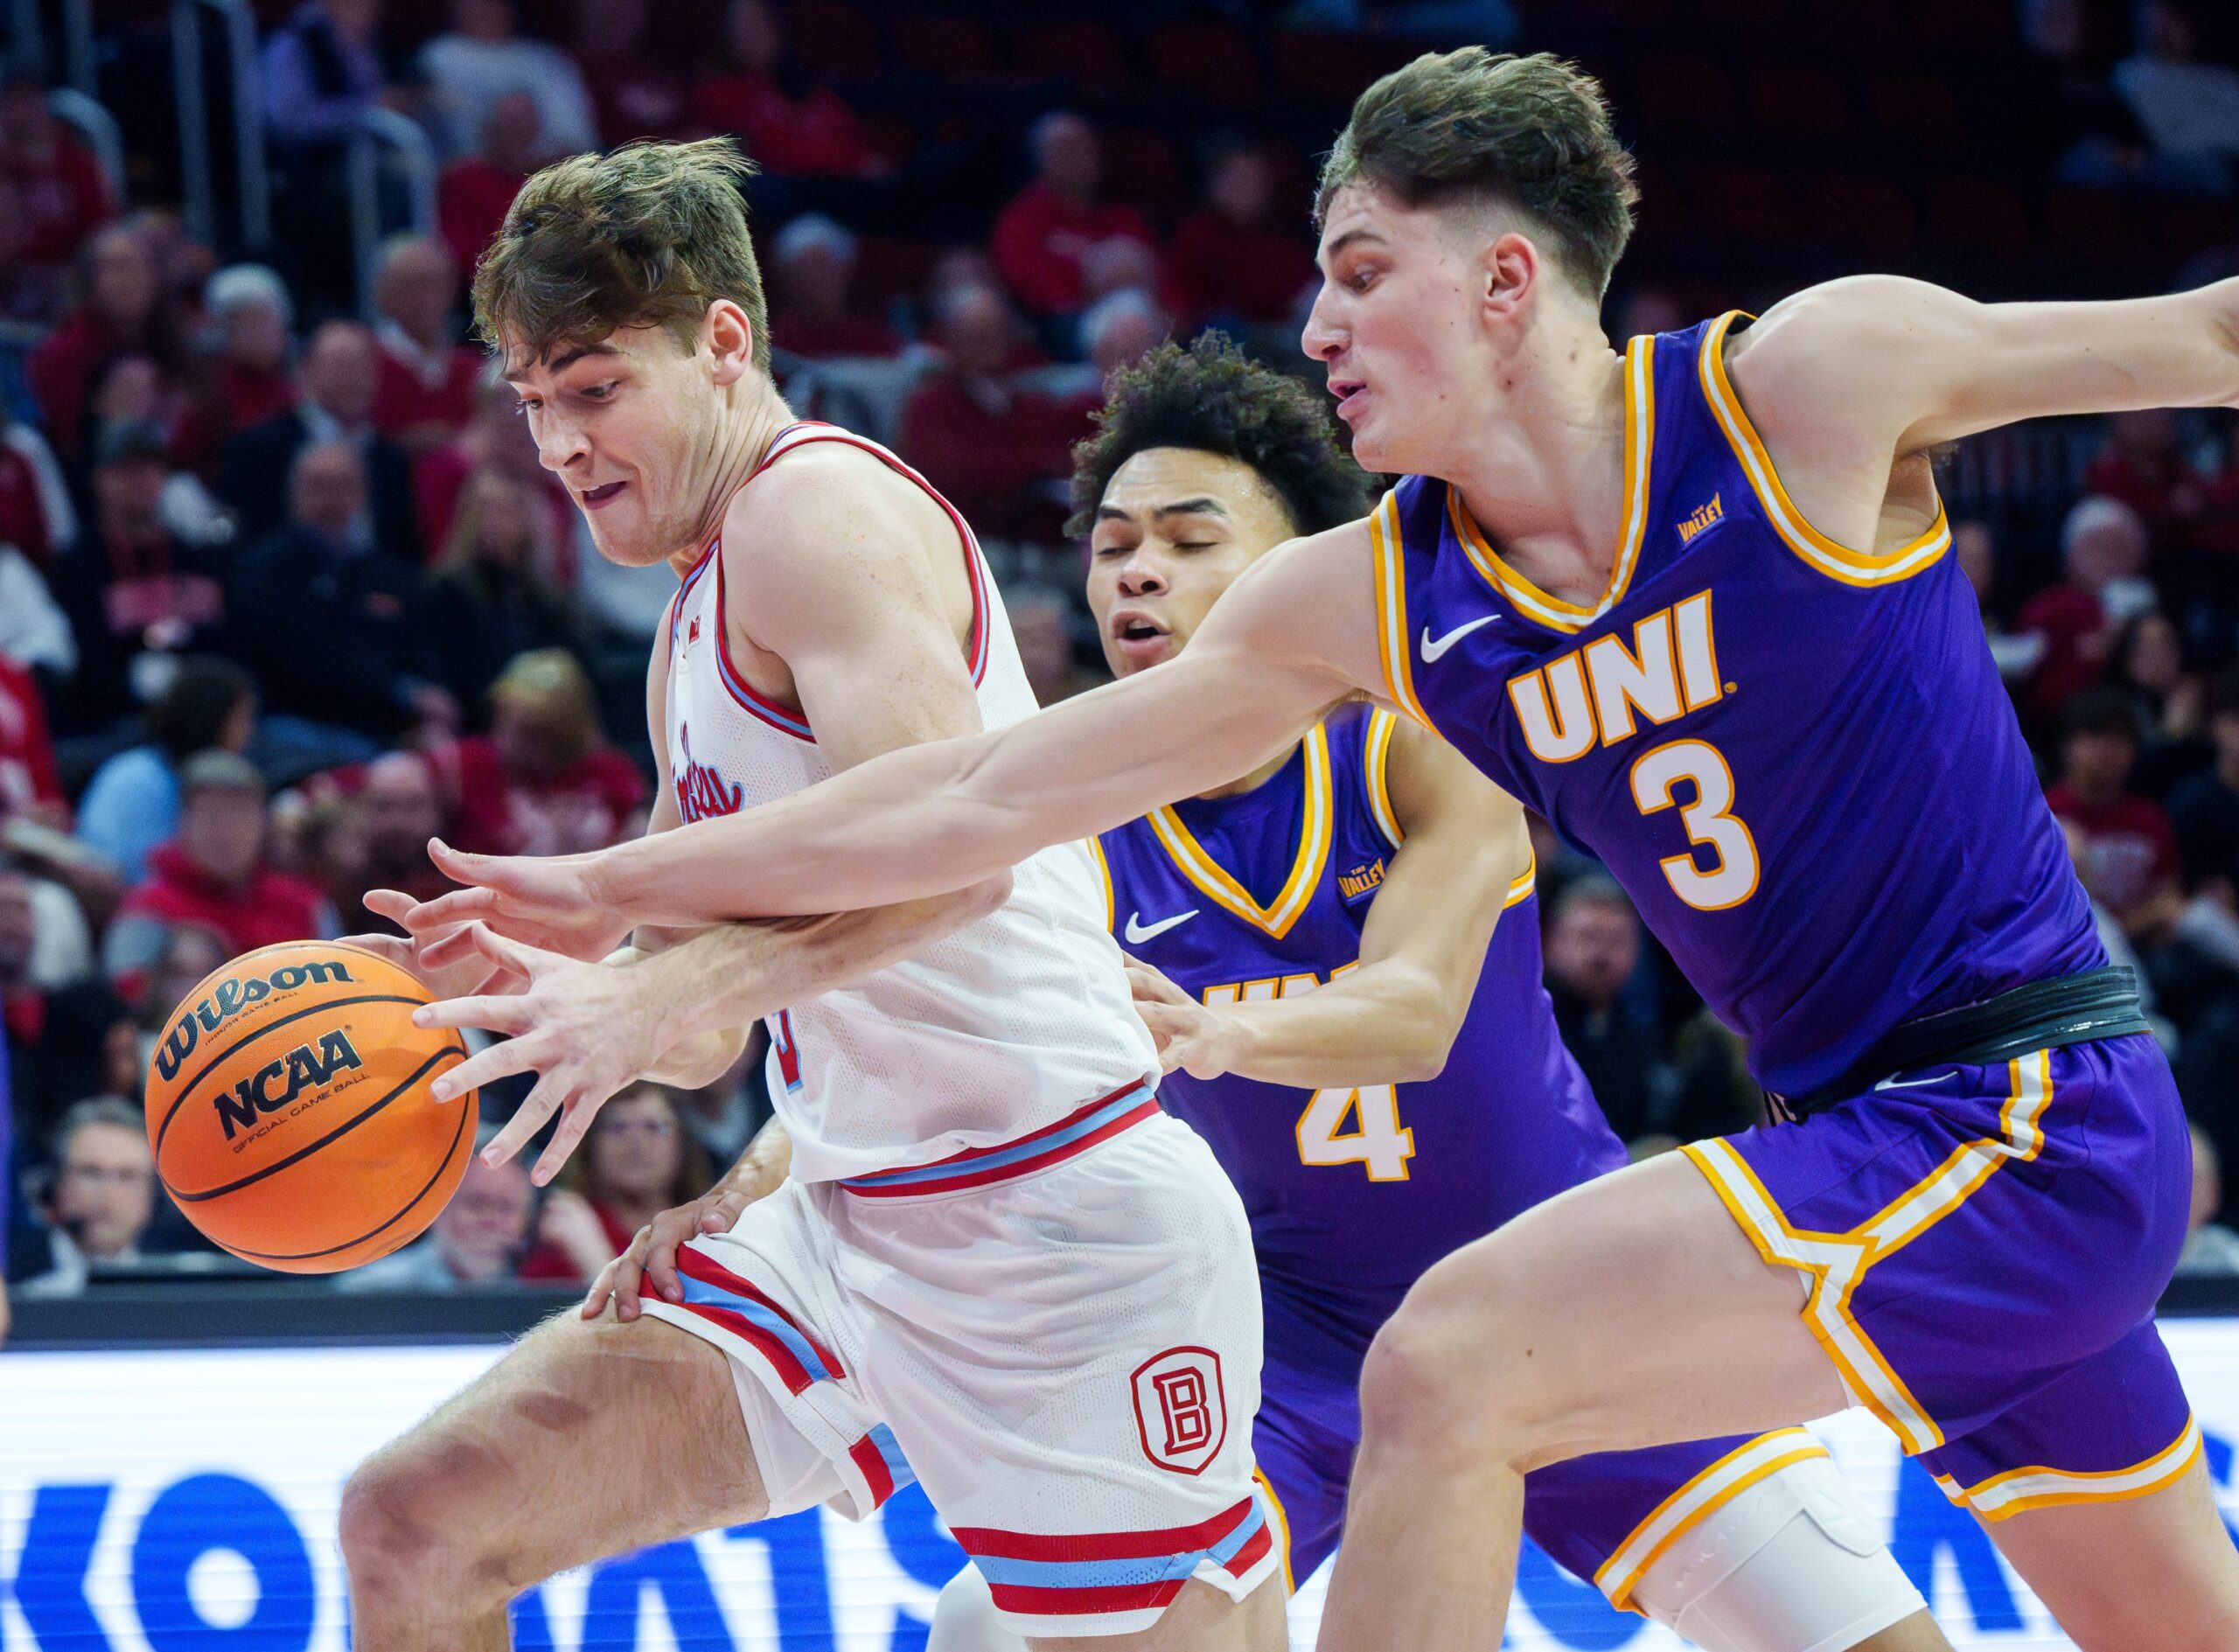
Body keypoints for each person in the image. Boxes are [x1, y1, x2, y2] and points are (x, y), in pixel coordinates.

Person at [412, 52, 2239, 1650]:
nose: (1318, 327)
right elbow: (979, 799)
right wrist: (613, 887)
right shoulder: (1370, 594)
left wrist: (1217, 1026)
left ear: (1507, 278)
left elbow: (2207, 337)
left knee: (1448, 1363)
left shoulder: (1807, 387)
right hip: (1832, 1146)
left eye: (1361, 274)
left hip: (2016, 1108)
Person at [344, 139, 1283, 1651]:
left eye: (594, 389)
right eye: (530, 401)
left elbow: (958, 862)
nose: (559, 445)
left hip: (1048, 1218)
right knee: (417, 1521)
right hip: (840, 1212)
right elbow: (708, 1024)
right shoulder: (683, 630)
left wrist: (661, 982)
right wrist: (528, 1000)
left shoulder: (815, 512)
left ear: (726, 343)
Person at [927, 338, 1932, 1650]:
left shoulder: (1422, 743)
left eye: (1187, 537)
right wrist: (744, 1190)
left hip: (1561, 1303)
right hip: (1292, 1347)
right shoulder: (1068, 824)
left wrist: (1221, 1030)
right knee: (987, 1627)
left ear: (1299, 575)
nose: (1137, 570)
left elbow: (1413, 1009)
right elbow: (910, 1048)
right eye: (1114, 543)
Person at [227, 441, 445, 750]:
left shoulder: (391, 574)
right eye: (318, 486)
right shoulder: (266, 570)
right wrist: (399, 690)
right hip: (292, 723)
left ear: (362, 492)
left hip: (380, 728)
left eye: (343, 485)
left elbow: (418, 646)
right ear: (295, 493)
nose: (331, 499)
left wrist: (427, 693)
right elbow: (301, 655)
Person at [103, 750, 334, 982]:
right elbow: (130, 1012)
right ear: (183, 822)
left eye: (240, 814)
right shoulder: (147, 911)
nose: (227, 831)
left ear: (263, 824)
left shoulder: (306, 905)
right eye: (212, 815)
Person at [218, 319, 422, 561]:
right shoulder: (259, 449)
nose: (354, 377)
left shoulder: (391, 459)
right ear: (305, 372)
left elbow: (403, 554)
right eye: (341, 364)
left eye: (364, 365)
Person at [74, 655, 256, 884]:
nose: (248, 735)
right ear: (211, 718)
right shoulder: (136, 779)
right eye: (241, 720)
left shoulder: (212, 783)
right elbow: (137, 875)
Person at [519, 1081, 711, 1283]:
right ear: (589, 1146)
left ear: (683, 1145)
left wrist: (595, 1261)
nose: (636, 1141)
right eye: (617, 1127)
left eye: (654, 1127)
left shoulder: (707, 1232)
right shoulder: (568, 1234)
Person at [992, 112, 1156, 317]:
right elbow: (1026, 285)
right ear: (1040, 159)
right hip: (1062, 323)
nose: (1079, 156)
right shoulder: (1022, 220)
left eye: (1084, 145)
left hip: (1135, 318)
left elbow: (1161, 286)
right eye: (1066, 149)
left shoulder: (1124, 218)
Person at [1541, 873, 1664, 1144]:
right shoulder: (1530, 1023)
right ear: (1552, 938)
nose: (1602, 955)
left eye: (1617, 940)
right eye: (1588, 937)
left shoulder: (1635, 1032)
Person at [339, 1126, 540, 1291]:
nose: (490, 1220)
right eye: (475, 1204)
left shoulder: (540, 1289)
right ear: (436, 1211)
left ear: (529, 1218)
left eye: (507, 1208)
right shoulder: (371, 1290)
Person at [17, 1098, 156, 1295]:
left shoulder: (183, 1280)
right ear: (56, 1181)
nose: (109, 1193)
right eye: (91, 1172)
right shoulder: (11, 1273)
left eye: (127, 1175)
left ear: (153, 1194)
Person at [370, 236, 485, 456]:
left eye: (438, 283)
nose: (428, 297)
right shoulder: (367, 363)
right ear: (382, 292)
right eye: (412, 285)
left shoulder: (473, 369)